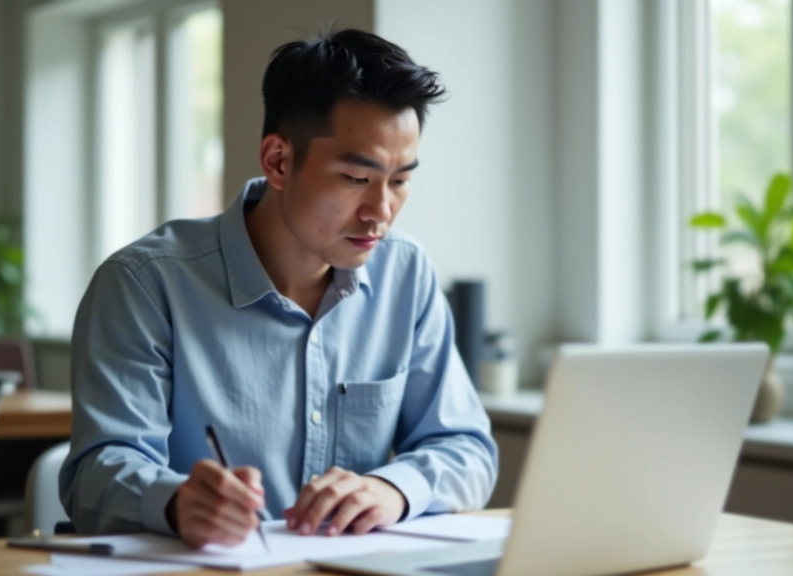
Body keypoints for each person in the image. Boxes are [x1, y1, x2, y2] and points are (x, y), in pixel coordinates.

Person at [59, 28, 498, 549]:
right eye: (357, 179)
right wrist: (175, 502)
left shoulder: (406, 275)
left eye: (400, 180)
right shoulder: (145, 284)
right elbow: (95, 474)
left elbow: (467, 448)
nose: (381, 211)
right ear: (278, 161)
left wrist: (391, 489)